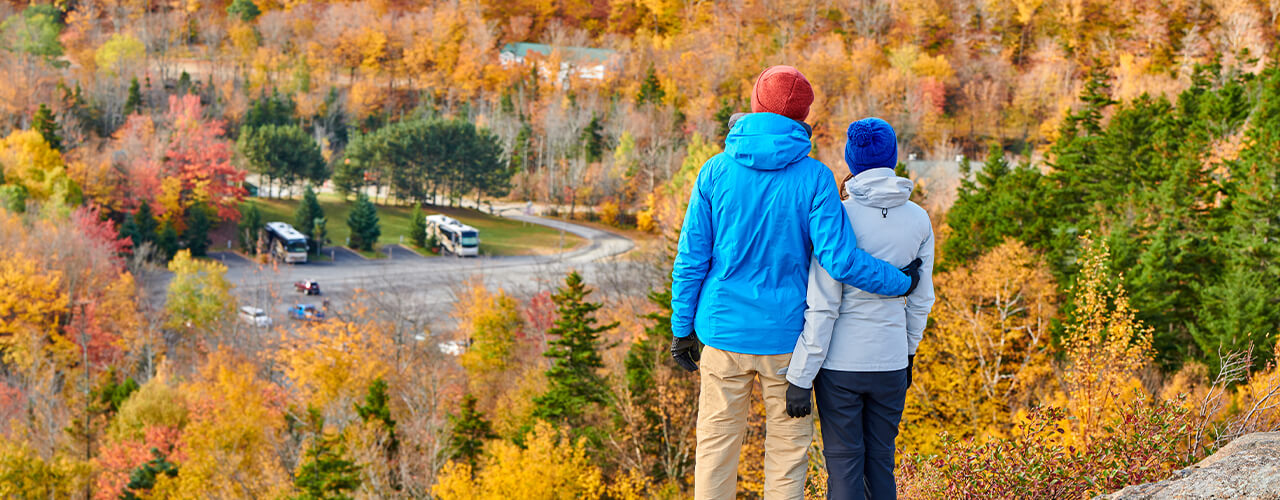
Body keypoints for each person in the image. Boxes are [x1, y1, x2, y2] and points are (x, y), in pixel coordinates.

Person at [670, 66, 922, 500]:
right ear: (803, 115)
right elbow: (839, 260)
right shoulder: (815, 178)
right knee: (787, 457)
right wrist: (898, 282)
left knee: (715, 449)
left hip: (723, 332)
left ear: (756, 105)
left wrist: (681, 328)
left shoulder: (715, 171)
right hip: (787, 340)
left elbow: (691, 257)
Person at [784, 118, 936, 500]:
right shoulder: (918, 219)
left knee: (844, 468)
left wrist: (801, 376)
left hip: (840, 366)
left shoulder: (838, 216)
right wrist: (908, 352)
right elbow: (921, 299)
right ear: (893, 157)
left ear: (851, 158)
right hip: (891, 361)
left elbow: (823, 305)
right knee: (881, 465)